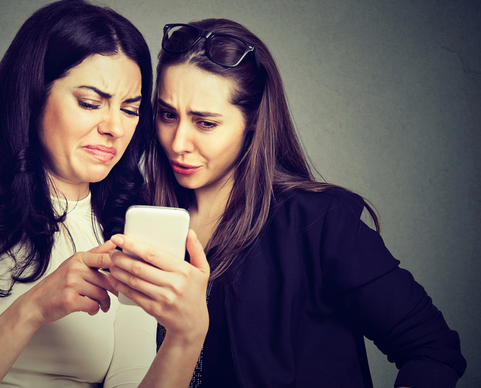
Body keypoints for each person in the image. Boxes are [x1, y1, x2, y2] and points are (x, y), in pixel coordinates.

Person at [105, 20, 467, 387]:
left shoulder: (320, 223)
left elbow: (433, 351)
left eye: (206, 123)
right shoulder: (134, 217)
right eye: (168, 115)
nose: (179, 142)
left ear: (252, 122)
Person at [0, 0, 208, 388]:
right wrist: (32, 309)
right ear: (33, 96)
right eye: (90, 103)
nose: (114, 128)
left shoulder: (126, 234)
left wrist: (187, 337)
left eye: (130, 109)